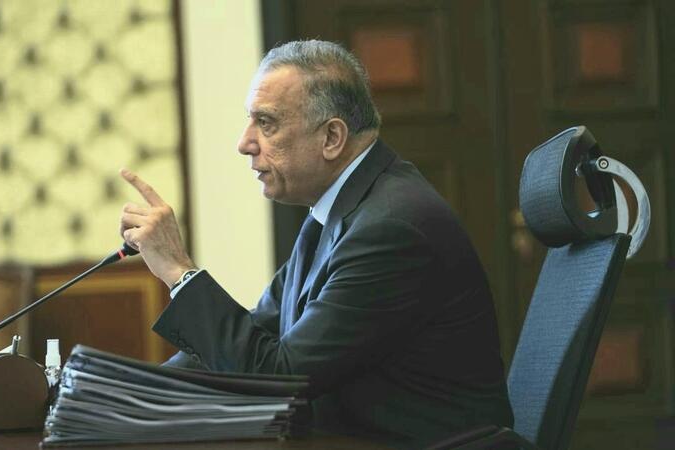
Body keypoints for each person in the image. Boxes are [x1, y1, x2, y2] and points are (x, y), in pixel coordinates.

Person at [119, 40, 513, 446]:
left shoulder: (393, 227)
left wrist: (179, 272)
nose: (244, 142)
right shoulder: (339, 212)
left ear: (331, 138)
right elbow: (255, 338)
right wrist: (125, 397)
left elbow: (276, 380)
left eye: (266, 123)